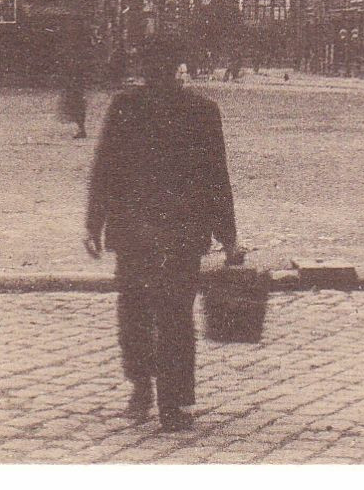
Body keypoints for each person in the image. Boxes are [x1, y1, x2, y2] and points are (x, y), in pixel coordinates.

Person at [85, 35, 241, 431]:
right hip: (183, 232)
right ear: (177, 68)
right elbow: (215, 177)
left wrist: (94, 224)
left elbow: (106, 170)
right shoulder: (203, 110)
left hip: (133, 229)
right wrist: (229, 236)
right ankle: (175, 404)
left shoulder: (125, 107)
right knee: (176, 316)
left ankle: (140, 386)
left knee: (134, 311)